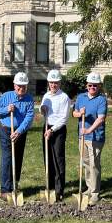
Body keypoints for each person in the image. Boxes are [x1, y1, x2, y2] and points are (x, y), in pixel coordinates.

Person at [0, 72, 35, 200]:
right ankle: (5, 189)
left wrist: (19, 131)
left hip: (20, 132)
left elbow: (29, 117)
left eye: (24, 86)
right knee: (7, 158)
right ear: (14, 85)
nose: (21, 88)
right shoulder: (6, 96)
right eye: (19, 86)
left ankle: (14, 184)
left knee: (18, 157)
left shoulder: (29, 99)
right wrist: (6, 109)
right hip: (5, 130)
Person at [72, 72, 107, 206]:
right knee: (86, 163)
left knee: (94, 164)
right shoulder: (81, 97)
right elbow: (74, 113)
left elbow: (101, 118)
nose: (92, 87)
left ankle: (95, 193)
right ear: (87, 85)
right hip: (82, 136)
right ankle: (89, 187)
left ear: (99, 86)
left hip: (96, 137)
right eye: (90, 85)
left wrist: (89, 130)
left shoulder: (101, 99)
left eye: (95, 85)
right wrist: (79, 113)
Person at [40, 69, 70, 201]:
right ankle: (50, 186)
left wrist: (52, 130)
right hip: (46, 126)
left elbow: (64, 119)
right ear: (48, 83)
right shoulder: (46, 96)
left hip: (58, 130)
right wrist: (42, 109)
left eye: (56, 83)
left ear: (59, 83)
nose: (53, 85)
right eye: (51, 83)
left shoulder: (64, 97)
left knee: (58, 159)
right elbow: (42, 110)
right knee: (48, 157)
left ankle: (59, 190)